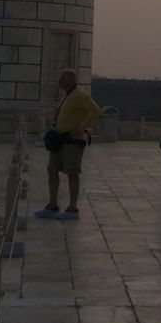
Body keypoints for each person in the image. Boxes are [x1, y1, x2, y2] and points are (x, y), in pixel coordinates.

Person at [37, 68, 101, 220]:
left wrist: (80, 129)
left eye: (62, 79)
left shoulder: (80, 94)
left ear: (71, 80)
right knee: (52, 169)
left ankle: (72, 208)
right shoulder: (67, 95)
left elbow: (96, 110)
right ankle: (52, 205)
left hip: (73, 141)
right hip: (60, 139)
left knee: (72, 172)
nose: (59, 82)